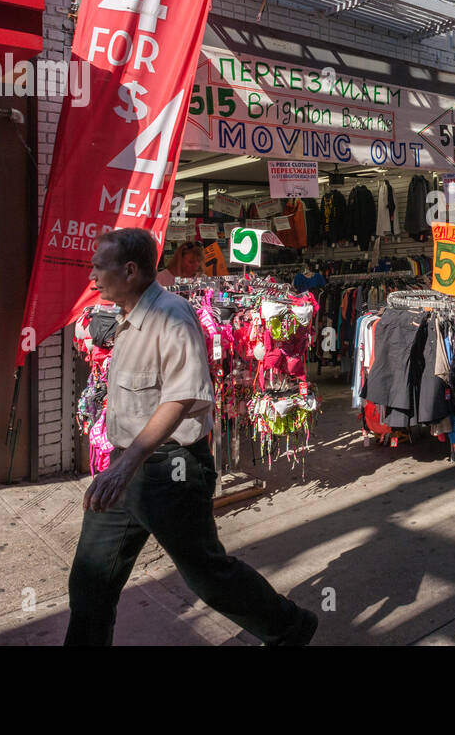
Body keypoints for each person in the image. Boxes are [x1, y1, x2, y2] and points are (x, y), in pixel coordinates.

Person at [66, 229, 317, 646]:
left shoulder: (173, 315)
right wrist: (119, 467)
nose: (92, 276)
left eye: (98, 266)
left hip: (169, 471)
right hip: (126, 469)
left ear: (129, 270)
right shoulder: (124, 319)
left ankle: (290, 627)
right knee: (91, 580)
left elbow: (182, 397)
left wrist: (124, 468)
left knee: (208, 574)